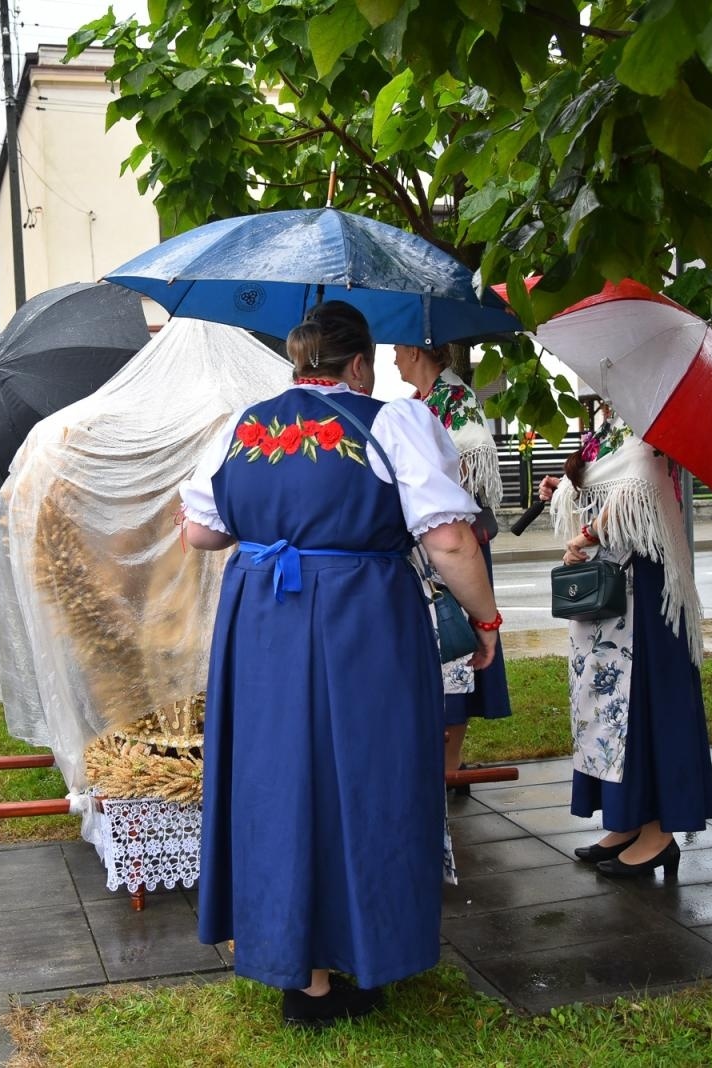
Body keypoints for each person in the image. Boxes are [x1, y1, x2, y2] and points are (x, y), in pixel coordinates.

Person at [179, 301, 500, 1028]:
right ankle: (363, 945)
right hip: (363, 620)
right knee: (367, 772)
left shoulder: (242, 426)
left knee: (278, 780)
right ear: (358, 364)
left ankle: (305, 974)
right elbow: (450, 540)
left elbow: (200, 532)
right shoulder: (393, 423)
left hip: (262, 623)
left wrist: (272, 522)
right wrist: (485, 619)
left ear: (299, 361)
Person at [542, 411, 712, 879]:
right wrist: (564, 492)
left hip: (645, 584)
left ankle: (659, 832)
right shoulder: (614, 423)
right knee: (604, 705)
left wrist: (587, 533)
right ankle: (628, 819)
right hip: (610, 582)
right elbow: (606, 487)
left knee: (645, 705)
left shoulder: (654, 424)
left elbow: (638, 489)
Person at [394, 344, 512, 784]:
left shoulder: (454, 397)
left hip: (453, 541)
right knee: (438, 652)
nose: (393, 359)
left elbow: (471, 463)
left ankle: (448, 766)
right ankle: (440, 765)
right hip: (429, 545)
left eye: (397, 350)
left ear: (414, 351)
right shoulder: (421, 402)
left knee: (455, 648)